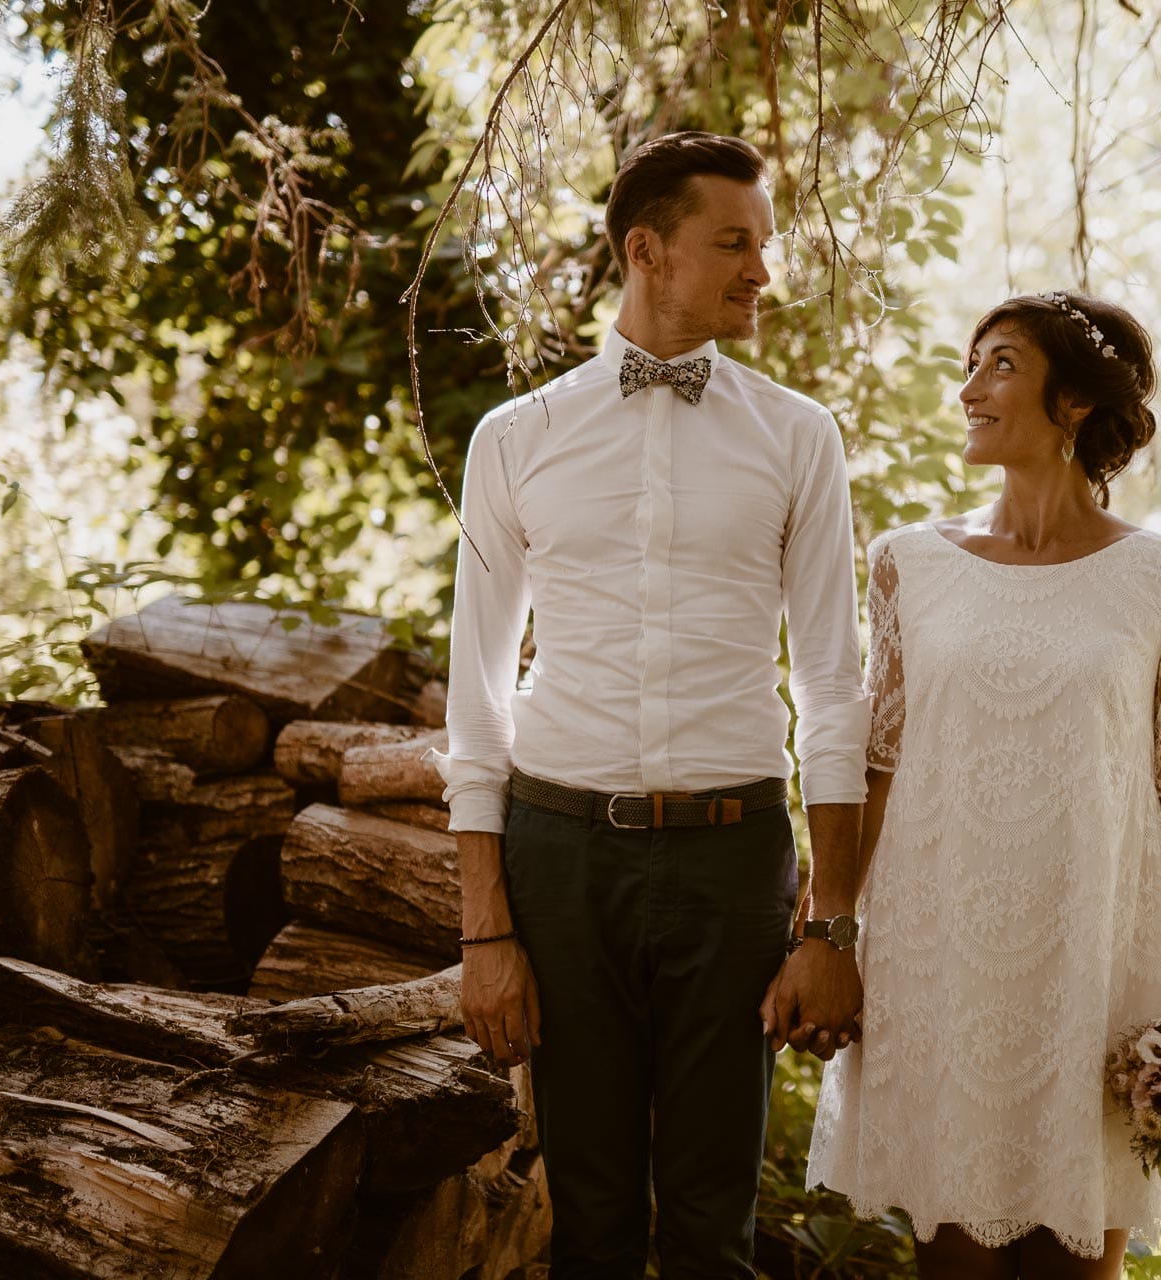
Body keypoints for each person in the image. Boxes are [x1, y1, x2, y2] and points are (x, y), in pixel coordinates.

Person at [426, 131, 870, 1278]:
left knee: (717, 1224)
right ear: (646, 250)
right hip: (560, 856)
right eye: (733, 243)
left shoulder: (798, 437)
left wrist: (826, 922)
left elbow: (831, 682)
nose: (759, 271)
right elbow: (476, 691)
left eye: (760, 245)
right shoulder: (514, 438)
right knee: (590, 1214)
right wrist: (486, 927)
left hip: (732, 861)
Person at [803, 290, 1161, 1276]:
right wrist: (827, 931)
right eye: (970, 363)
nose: (967, 389)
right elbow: (874, 767)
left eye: (999, 364)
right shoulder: (905, 564)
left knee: (1077, 1263)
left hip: (1096, 966)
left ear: (1074, 402)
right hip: (937, 963)